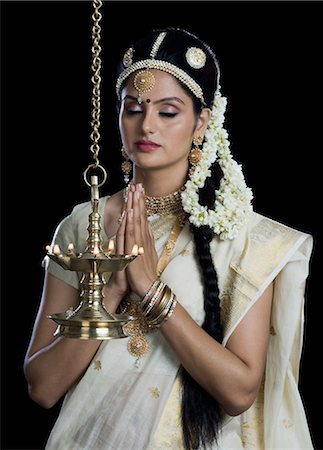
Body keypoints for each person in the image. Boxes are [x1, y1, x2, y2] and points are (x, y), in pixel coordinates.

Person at [23, 27, 314, 450]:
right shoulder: (83, 224)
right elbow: (43, 386)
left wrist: (150, 288)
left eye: (168, 111)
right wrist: (113, 288)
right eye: (133, 108)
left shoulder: (244, 236)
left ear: (202, 122)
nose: (147, 125)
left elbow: (238, 392)